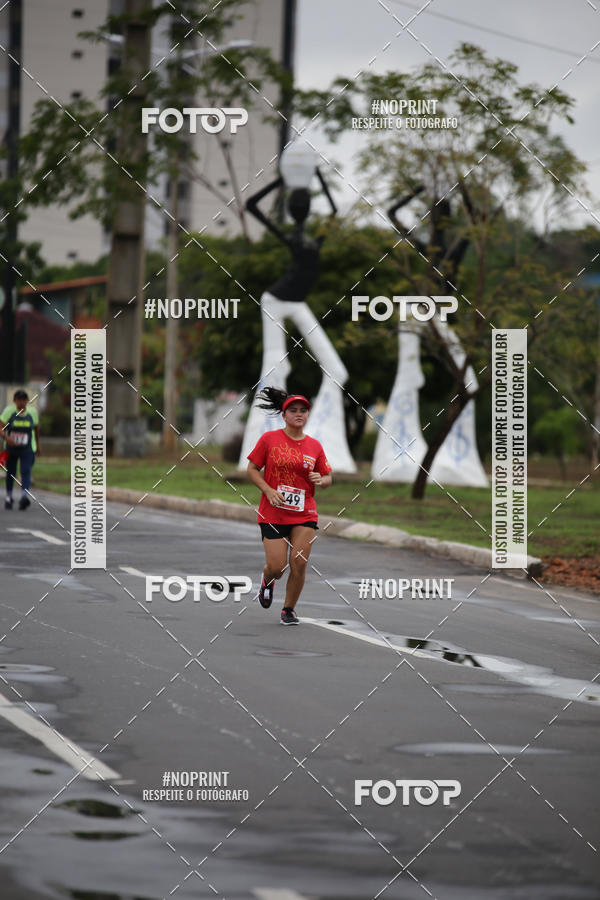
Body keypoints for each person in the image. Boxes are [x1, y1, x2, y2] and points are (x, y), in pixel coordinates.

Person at [247, 387, 332, 625]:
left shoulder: (314, 446)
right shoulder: (269, 440)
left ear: (307, 415)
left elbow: (327, 477)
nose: (299, 414)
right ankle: (267, 579)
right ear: (284, 415)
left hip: (304, 512)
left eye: (303, 410)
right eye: (293, 410)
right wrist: (268, 490)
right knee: (277, 567)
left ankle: (288, 609)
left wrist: (321, 480)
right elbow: (252, 469)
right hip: (272, 512)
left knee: (300, 561)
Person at [0, 389, 41, 510]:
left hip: (27, 448)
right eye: (19, 400)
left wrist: (39, 444)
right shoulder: (9, 411)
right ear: (14, 401)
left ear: (27, 401)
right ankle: (9, 497)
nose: (21, 403)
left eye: (24, 400)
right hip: (11, 448)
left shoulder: (32, 413)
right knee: (10, 472)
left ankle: (24, 496)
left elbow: (36, 428)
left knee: (25, 470)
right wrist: (6, 437)